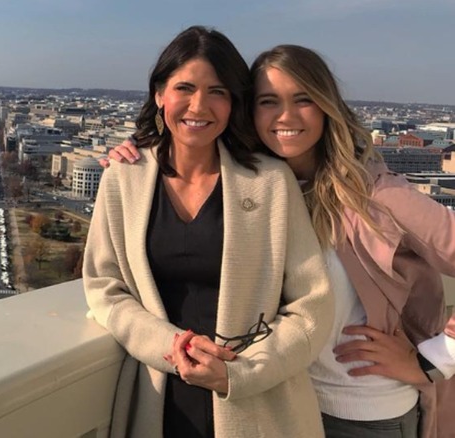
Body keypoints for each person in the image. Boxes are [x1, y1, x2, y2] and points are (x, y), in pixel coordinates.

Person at [104, 44, 455, 438]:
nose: (285, 116)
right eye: (268, 101)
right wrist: (138, 155)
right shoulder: (257, 187)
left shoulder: (377, 196)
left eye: (302, 99)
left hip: (363, 413)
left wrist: (435, 359)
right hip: (279, 406)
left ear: (326, 106)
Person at [82, 27, 334, 438]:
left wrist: (241, 372)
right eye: (184, 87)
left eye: (217, 91)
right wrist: (171, 346)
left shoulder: (270, 181)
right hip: (160, 396)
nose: (199, 105)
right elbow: (105, 286)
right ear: (160, 94)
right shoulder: (123, 179)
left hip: (255, 399)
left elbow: (312, 304)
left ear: (234, 102)